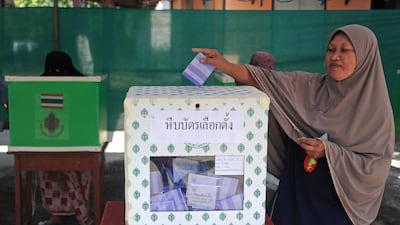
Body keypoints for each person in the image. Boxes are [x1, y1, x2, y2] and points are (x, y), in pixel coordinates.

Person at [192, 24, 394, 225]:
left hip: (337, 207)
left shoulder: (375, 111)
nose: (335, 56)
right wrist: (225, 65)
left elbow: (375, 168)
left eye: (345, 50)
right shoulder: (310, 87)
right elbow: (266, 80)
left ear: (365, 56)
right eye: (331, 50)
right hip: (294, 197)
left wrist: (329, 152)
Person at [38, 50, 93, 225]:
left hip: (76, 144)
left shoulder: (80, 89)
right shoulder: (40, 91)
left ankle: (78, 214)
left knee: (76, 171)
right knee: (49, 173)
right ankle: (58, 215)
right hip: (49, 142)